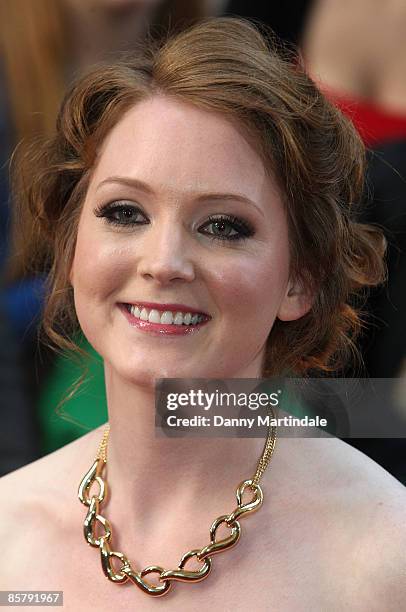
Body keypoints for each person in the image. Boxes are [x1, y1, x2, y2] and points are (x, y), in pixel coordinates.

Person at [0, 17, 405, 608]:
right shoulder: (10, 538)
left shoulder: (383, 556)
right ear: (70, 247)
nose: (163, 263)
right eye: (125, 212)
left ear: (301, 279)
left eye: (223, 226)